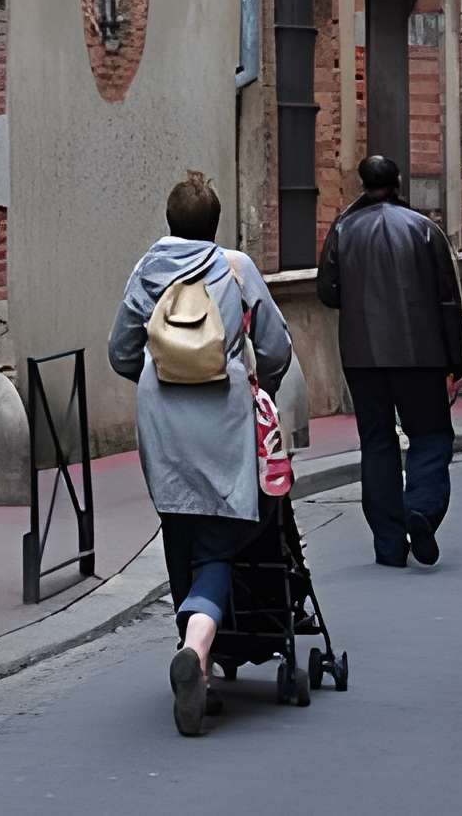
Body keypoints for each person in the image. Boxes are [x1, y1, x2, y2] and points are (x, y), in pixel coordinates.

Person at [110, 169, 292, 739]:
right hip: (223, 418)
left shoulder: (145, 271)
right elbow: (275, 347)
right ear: (215, 224)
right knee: (217, 540)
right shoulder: (235, 268)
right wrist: (260, 378)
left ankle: (200, 666)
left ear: (170, 222)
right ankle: (196, 647)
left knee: (179, 527)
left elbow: (121, 350)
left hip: (162, 419)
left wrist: (154, 375)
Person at [317, 150, 462, 569]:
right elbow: (447, 300)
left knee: (377, 443)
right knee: (431, 436)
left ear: (361, 185)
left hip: (362, 355)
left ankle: (387, 544)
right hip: (421, 354)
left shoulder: (344, 229)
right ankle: (420, 507)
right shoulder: (423, 229)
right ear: (398, 182)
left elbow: (328, 292)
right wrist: (457, 363)